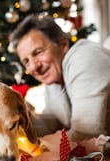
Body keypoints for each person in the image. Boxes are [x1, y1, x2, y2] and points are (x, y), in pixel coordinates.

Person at [10, 14, 110, 148]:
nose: (34, 67)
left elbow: (87, 135)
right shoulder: (55, 78)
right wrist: (24, 116)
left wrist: (39, 148)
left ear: (63, 44)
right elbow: (52, 124)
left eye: (38, 52)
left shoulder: (86, 58)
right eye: (26, 61)